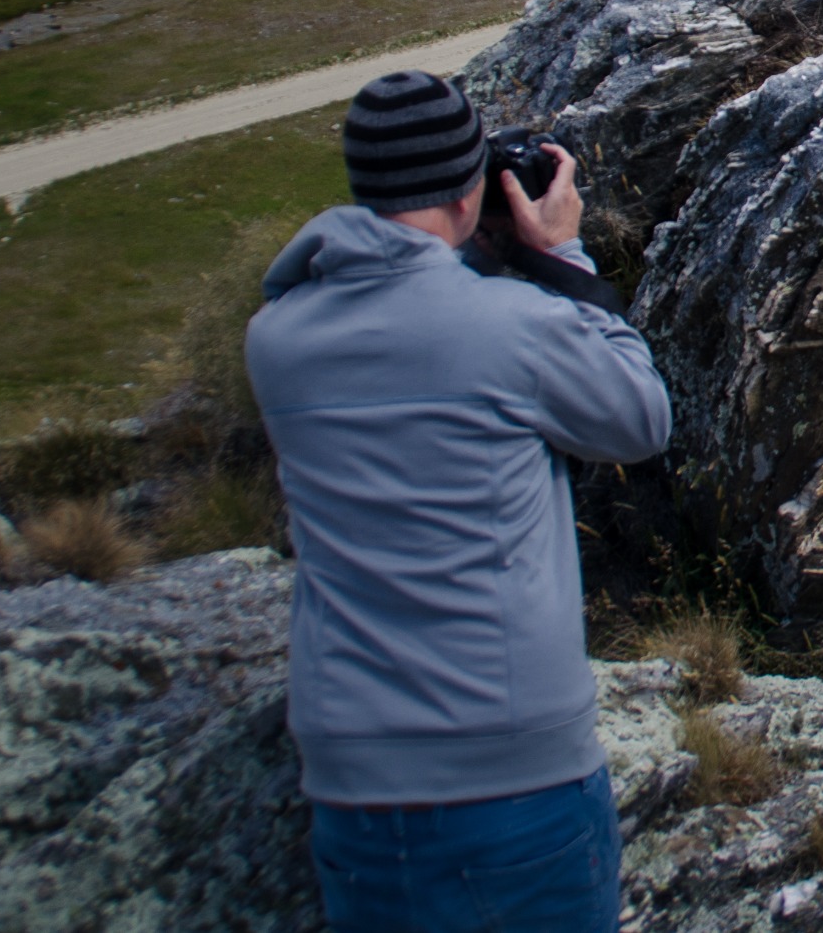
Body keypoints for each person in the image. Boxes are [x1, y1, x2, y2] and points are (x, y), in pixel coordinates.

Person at [247, 69, 672, 933]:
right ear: (473, 182)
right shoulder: (509, 323)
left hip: (352, 782)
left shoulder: (277, 339)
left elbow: (378, 317)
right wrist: (559, 257)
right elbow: (640, 417)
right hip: (510, 773)